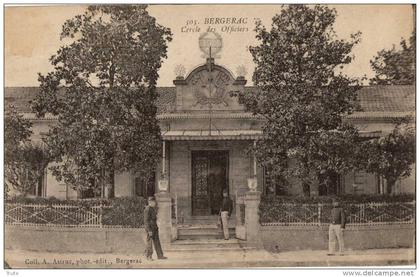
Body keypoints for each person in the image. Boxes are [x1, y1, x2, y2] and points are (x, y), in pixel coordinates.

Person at [144, 196, 167, 261]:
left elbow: (154, 219)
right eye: (153, 202)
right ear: (150, 202)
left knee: (157, 242)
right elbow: (146, 221)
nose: (154, 203)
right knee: (149, 242)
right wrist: (149, 230)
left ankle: (160, 255)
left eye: (154, 202)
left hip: (155, 227)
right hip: (150, 228)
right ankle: (149, 256)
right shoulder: (147, 209)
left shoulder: (152, 209)